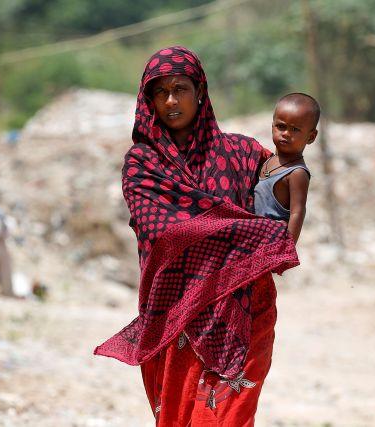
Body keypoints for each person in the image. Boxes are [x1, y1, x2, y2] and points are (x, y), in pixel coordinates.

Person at [94, 46, 300, 425]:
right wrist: (252, 233)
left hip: (246, 308)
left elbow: (279, 200)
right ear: (148, 100)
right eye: (160, 92)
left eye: (181, 89)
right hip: (176, 314)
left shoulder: (242, 153)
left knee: (230, 418)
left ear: (200, 91)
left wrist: (294, 165)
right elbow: (163, 230)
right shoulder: (143, 164)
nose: (171, 100)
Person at [254, 93, 319, 243]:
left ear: (311, 137)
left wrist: (287, 248)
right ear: (272, 127)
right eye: (281, 126)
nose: (286, 134)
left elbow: (297, 212)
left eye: (295, 129)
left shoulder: (296, 173)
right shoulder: (266, 160)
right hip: (252, 236)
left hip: (269, 242)